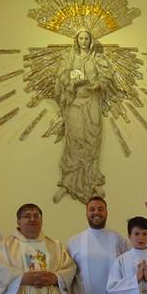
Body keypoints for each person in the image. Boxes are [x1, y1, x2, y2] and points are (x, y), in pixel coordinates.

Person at [52, 28, 110, 204]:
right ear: (76, 40)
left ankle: (92, 181)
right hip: (75, 102)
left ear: (90, 41)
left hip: (92, 101)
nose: (83, 41)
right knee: (75, 139)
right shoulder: (69, 58)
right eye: (81, 38)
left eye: (86, 38)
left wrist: (96, 85)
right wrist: (71, 82)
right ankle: (67, 182)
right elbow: (60, 78)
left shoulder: (97, 59)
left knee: (93, 140)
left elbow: (106, 79)